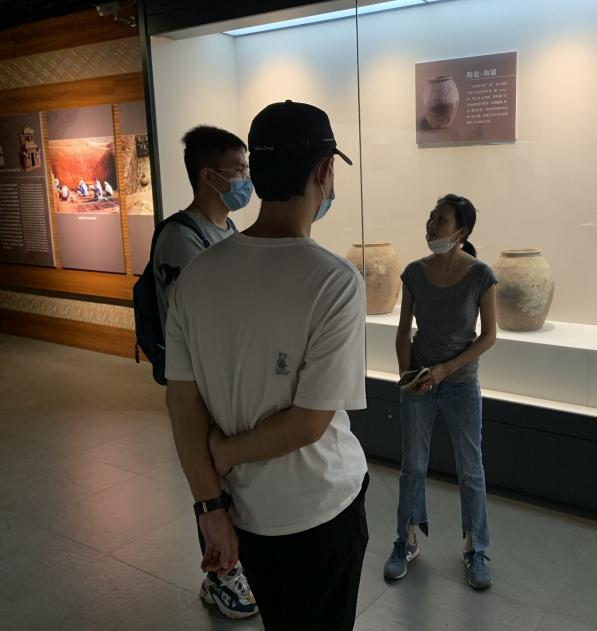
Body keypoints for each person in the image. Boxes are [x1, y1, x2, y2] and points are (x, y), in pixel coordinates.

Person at [165, 100, 369, 630]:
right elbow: (309, 423)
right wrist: (226, 452)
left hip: (242, 511)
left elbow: (182, 405)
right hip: (319, 509)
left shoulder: (196, 277)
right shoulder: (334, 281)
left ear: (256, 174)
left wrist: (209, 506)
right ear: (323, 172)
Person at [153, 125, 258, 620]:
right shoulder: (181, 237)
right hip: (199, 385)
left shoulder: (229, 230)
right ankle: (219, 576)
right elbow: (198, 323)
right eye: (238, 171)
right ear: (208, 176)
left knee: (230, 479)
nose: (246, 179)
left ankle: (232, 563)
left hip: (230, 379)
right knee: (208, 481)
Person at [383, 193, 498, 590]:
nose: (431, 225)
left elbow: (489, 336)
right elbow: (403, 332)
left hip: (461, 384)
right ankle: (406, 540)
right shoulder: (414, 272)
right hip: (419, 383)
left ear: (461, 232)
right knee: (412, 466)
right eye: (431, 217)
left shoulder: (481, 275)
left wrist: (445, 370)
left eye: (441, 220)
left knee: (471, 468)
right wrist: (407, 377)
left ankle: (476, 547)